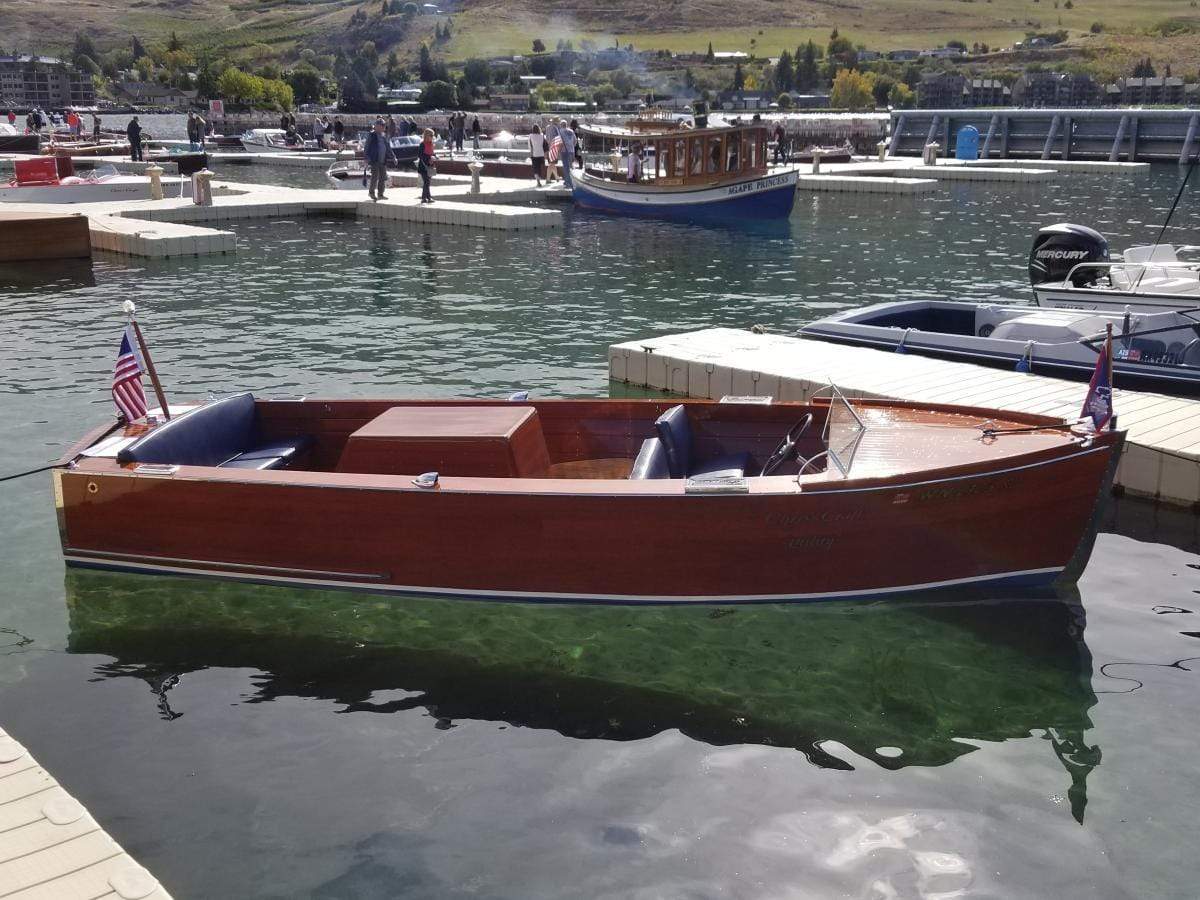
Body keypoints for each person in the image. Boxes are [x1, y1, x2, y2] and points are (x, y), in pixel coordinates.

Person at [363, 118, 395, 201]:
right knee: (375, 176)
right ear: (377, 126)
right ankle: (371, 193)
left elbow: (388, 147)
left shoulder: (384, 135)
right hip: (374, 159)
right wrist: (366, 158)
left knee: (383, 177)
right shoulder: (371, 135)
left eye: (384, 125)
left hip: (383, 160)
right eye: (382, 125)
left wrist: (393, 157)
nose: (384, 127)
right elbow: (366, 147)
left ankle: (380, 194)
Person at [417, 127, 436, 203]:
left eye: (433, 135)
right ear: (426, 135)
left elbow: (432, 153)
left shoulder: (431, 144)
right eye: (431, 135)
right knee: (426, 182)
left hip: (430, 166)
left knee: (428, 182)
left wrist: (435, 156)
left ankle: (428, 197)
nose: (432, 137)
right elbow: (420, 155)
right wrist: (429, 157)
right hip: (423, 166)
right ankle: (424, 198)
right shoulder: (422, 144)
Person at [557, 119, 577, 189]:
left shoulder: (560, 131)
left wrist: (558, 151)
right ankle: (571, 182)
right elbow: (575, 141)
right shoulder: (571, 131)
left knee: (566, 167)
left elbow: (559, 142)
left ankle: (568, 183)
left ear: (561, 125)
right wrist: (571, 147)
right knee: (571, 167)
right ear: (566, 125)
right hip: (571, 151)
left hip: (564, 151)